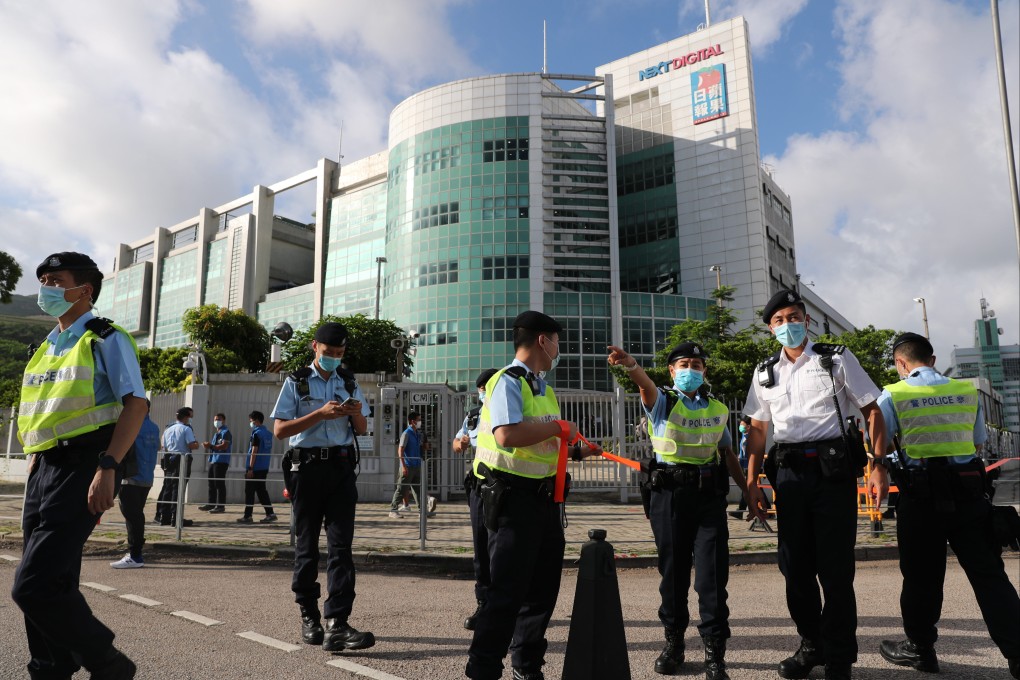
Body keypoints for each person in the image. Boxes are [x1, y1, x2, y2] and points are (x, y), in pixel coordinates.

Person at [742, 289, 889, 680]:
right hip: (788, 474)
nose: (786, 325)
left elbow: (872, 410)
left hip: (833, 471)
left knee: (835, 569)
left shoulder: (834, 359)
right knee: (795, 567)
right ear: (770, 329)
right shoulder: (763, 373)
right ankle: (812, 644)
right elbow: (758, 429)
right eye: (778, 320)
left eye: (793, 317)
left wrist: (877, 465)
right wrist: (752, 480)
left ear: (806, 321)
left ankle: (839, 656)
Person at [12, 251, 146, 679]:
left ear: (84, 290)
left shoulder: (106, 337)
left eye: (54, 280)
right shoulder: (45, 348)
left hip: (87, 462)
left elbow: (136, 404)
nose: (44, 289)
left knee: (32, 586)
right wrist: (36, 460)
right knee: (54, 582)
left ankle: (108, 664)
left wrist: (109, 466)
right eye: (43, 280)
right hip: (45, 468)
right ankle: (49, 669)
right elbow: (44, 412)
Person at [608, 342, 762, 679]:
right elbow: (644, 386)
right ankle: (674, 644)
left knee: (712, 578)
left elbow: (728, 454)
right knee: (674, 575)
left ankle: (714, 653)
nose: (690, 369)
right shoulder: (664, 402)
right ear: (672, 371)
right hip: (670, 496)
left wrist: (750, 494)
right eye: (683, 364)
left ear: (704, 370)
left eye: (696, 364)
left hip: (709, 498)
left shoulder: (717, 407)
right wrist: (632, 365)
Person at [875, 332, 1020, 678]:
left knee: (922, 577)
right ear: (934, 360)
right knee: (989, 575)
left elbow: (876, 444)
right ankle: (1018, 652)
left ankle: (921, 649)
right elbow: (978, 444)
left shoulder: (894, 393)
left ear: (900, 363)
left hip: (920, 496)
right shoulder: (966, 391)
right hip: (968, 495)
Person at [466, 310, 598, 680]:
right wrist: (560, 426)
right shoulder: (506, 381)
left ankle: (527, 666)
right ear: (543, 340)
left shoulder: (544, 389)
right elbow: (507, 435)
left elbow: (541, 445)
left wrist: (577, 450)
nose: (559, 347)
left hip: (545, 502)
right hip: (512, 502)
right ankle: (484, 667)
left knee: (541, 593)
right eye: (557, 339)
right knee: (506, 593)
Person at [270, 321, 375, 651]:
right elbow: (281, 431)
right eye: (329, 352)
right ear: (315, 347)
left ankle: (338, 623)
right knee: (307, 545)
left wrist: (355, 412)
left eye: (340, 353)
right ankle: (309, 616)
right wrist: (320, 414)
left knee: (342, 546)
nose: (334, 357)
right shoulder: (296, 382)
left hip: (342, 467)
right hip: (307, 469)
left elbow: (362, 428)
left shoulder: (348, 380)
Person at [453, 368, 498, 630]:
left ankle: (508, 602)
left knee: (503, 546)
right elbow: (456, 443)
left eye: (487, 387)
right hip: (480, 485)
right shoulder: (473, 415)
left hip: (507, 485)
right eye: (480, 388)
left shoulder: (510, 411)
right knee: (481, 545)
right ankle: (484, 602)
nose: (483, 392)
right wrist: (461, 444)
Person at [111, 400, 161, 569]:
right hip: (146, 478)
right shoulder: (154, 427)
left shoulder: (131, 426)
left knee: (132, 517)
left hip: (130, 478)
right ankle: (135, 552)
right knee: (137, 515)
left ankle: (135, 554)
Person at [388, 412, 437, 518]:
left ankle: (422, 511)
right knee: (401, 488)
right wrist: (403, 465)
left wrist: (425, 446)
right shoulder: (406, 433)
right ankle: (393, 509)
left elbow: (421, 447)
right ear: (412, 421)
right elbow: (400, 450)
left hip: (416, 465)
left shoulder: (417, 434)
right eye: (418, 420)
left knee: (418, 490)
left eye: (420, 419)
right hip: (408, 465)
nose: (420, 422)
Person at [156, 407, 199, 527]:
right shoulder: (186, 429)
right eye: (190, 417)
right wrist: (197, 444)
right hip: (182, 459)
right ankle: (176, 517)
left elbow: (163, 445)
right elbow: (191, 444)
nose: (191, 420)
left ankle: (164, 517)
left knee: (168, 487)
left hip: (169, 458)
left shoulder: (168, 428)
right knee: (179, 489)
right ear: (186, 417)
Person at [237, 411, 277, 524]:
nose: (250, 424)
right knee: (261, 491)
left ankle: (247, 516)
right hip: (264, 466)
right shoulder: (268, 434)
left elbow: (254, 451)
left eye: (251, 421)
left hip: (255, 467)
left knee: (249, 492)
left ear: (256, 420)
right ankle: (270, 513)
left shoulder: (256, 434)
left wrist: (250, 468)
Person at [200, 412, 232, 513]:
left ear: (223, 421)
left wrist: (210, 446)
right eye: (215, 419)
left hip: (221, 461)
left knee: (219, 483)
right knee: (211, 483)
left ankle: (220, 506)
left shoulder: (226, 432)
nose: (216, 421)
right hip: (214, 460)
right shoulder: (217, 433)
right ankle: (211, 503)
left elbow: (224, 446)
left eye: (218, 419)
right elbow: (214, 447)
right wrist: (209, 446)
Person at [729, 416, 752, 519]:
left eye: (742, 425)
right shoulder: (744, 435)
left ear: (749, 426)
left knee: (748, 487)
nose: (740, 427)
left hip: (750, 465)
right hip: (745, 465)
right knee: (751, 487)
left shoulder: (751, 437)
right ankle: (768, 509)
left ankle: (740, 511)